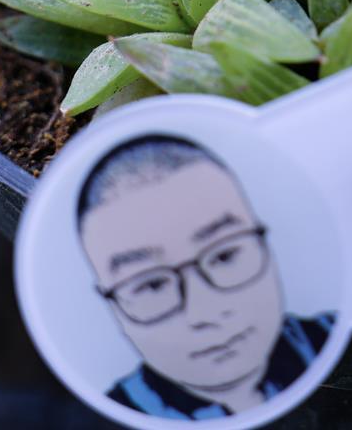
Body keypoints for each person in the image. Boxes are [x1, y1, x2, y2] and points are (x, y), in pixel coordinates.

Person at [77, 134, 334, 420]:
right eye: (152, 284)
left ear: (264, 241)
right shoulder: (109, 414)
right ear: (110, 302)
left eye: (224, 256)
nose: (205, 312)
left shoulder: (345, 339)